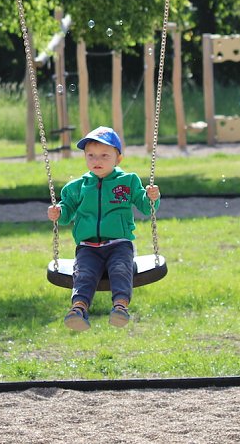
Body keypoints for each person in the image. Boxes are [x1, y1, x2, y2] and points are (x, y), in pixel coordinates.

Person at [47, 126, 161, 331]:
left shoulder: (128, 181)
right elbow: (67, 212)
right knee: (83, 274)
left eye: (104, 155)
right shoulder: (77, 187)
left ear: (118, 158)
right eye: (90, 155)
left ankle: (120, 307)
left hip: (119, 244)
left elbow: (146, 207)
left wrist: (151, 197)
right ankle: (78, 309)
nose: (96, 160)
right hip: (88, 246)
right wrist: (58, 213)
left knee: (121, 269)